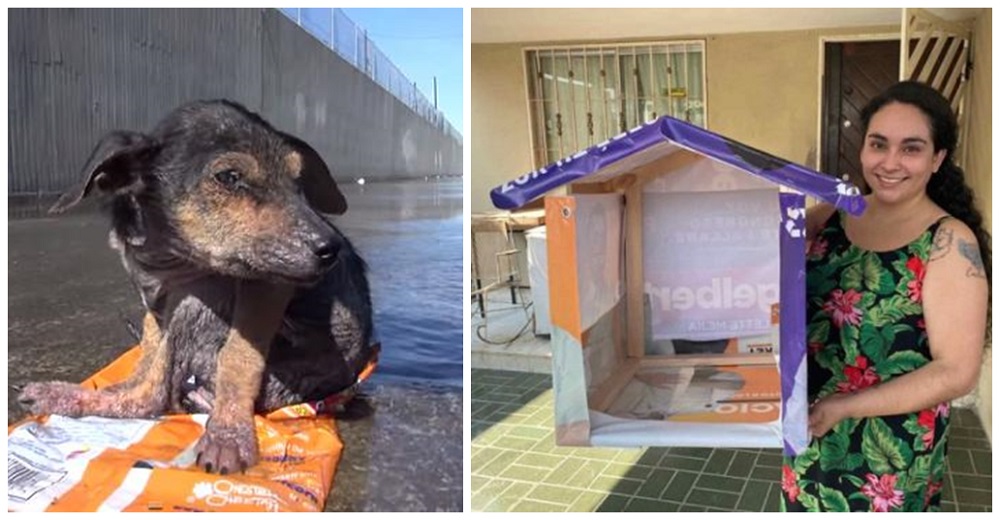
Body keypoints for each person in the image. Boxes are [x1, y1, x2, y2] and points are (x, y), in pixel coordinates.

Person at [781, 80, 991, 512]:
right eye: (879, 144)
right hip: (809, 433)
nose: (890, 162)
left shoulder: (948, 241)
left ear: (937, 159)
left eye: (911, 148)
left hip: (891, 457)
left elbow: (956, 372)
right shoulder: (832, 214)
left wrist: (845, 407)